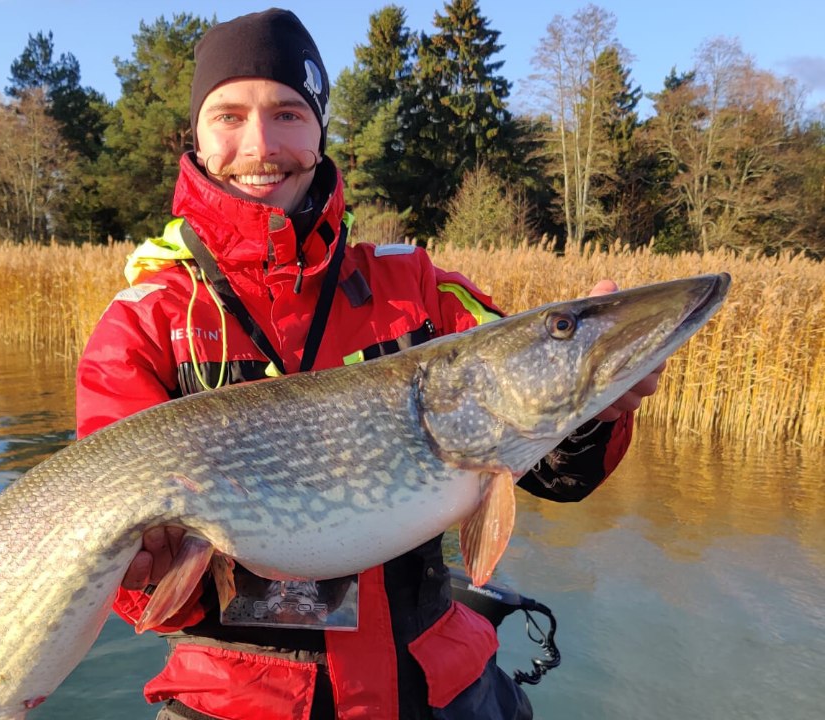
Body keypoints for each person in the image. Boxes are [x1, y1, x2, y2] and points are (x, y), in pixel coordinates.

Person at [75, 9, 662, 720]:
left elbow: (551, 470)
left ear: (320, 128)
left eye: (289, 112)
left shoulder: (415, 287)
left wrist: (595, 409)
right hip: (239, 702)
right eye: (229, 115)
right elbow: (128, 591)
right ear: (194, 136)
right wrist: (150, 570)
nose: (261, 145)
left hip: (435, 685)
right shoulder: (147, 319)